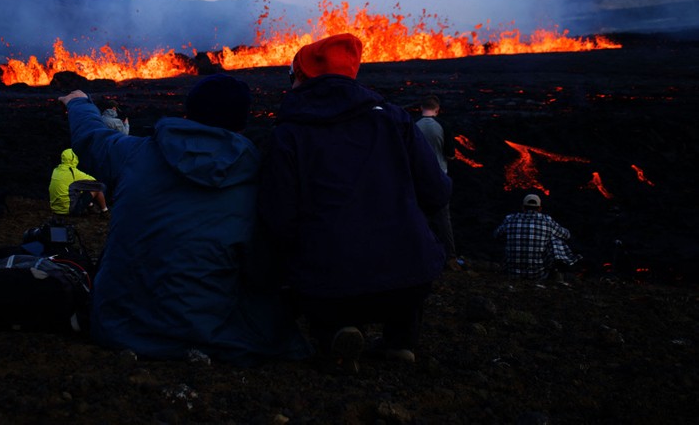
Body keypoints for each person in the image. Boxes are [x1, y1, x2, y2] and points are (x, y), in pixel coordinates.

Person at [57, 74, 311, 365]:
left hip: (118, 327)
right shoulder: (255, 178)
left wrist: (79, 103)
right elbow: (262, 271)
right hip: (205, 333)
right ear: (242, 123)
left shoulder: (135, 153)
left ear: (187, 112)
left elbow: (91, 138)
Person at [258, 33, 452, 372]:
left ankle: (337, 332)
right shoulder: (395, 119)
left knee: (314, 264)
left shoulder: (288, 134)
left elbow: (279, 219)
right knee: (407, 254)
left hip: (330, 283)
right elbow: (436, 192)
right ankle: (401, 341)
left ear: (301, 77)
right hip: (409, 278)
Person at [415, 94, 460, 270]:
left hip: (417, 179)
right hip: (439, 178)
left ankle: (419, 254)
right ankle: (450, 257)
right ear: (437, 109)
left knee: (419, 217)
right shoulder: (443, 126)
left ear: (421, 108)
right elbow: (450, 155)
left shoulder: (413, 125)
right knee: (443, 219)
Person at [494, 193, 582, 279]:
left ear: (523, 208)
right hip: (538, 274)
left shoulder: (510, 219)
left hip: (511, 273)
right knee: (554, 238)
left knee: (508, 235)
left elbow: (496, 235)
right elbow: (566, 235)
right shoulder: (547, 221)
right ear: (540, 208)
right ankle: (562, 268)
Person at [48, 148, 109, 217]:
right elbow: (95, 183)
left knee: (77, 187)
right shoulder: (73, 173)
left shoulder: (56, 170)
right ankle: (105, 211)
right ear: (73, 158)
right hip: (69, 211)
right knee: (96, 188)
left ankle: (91, 207)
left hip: (55, 209)